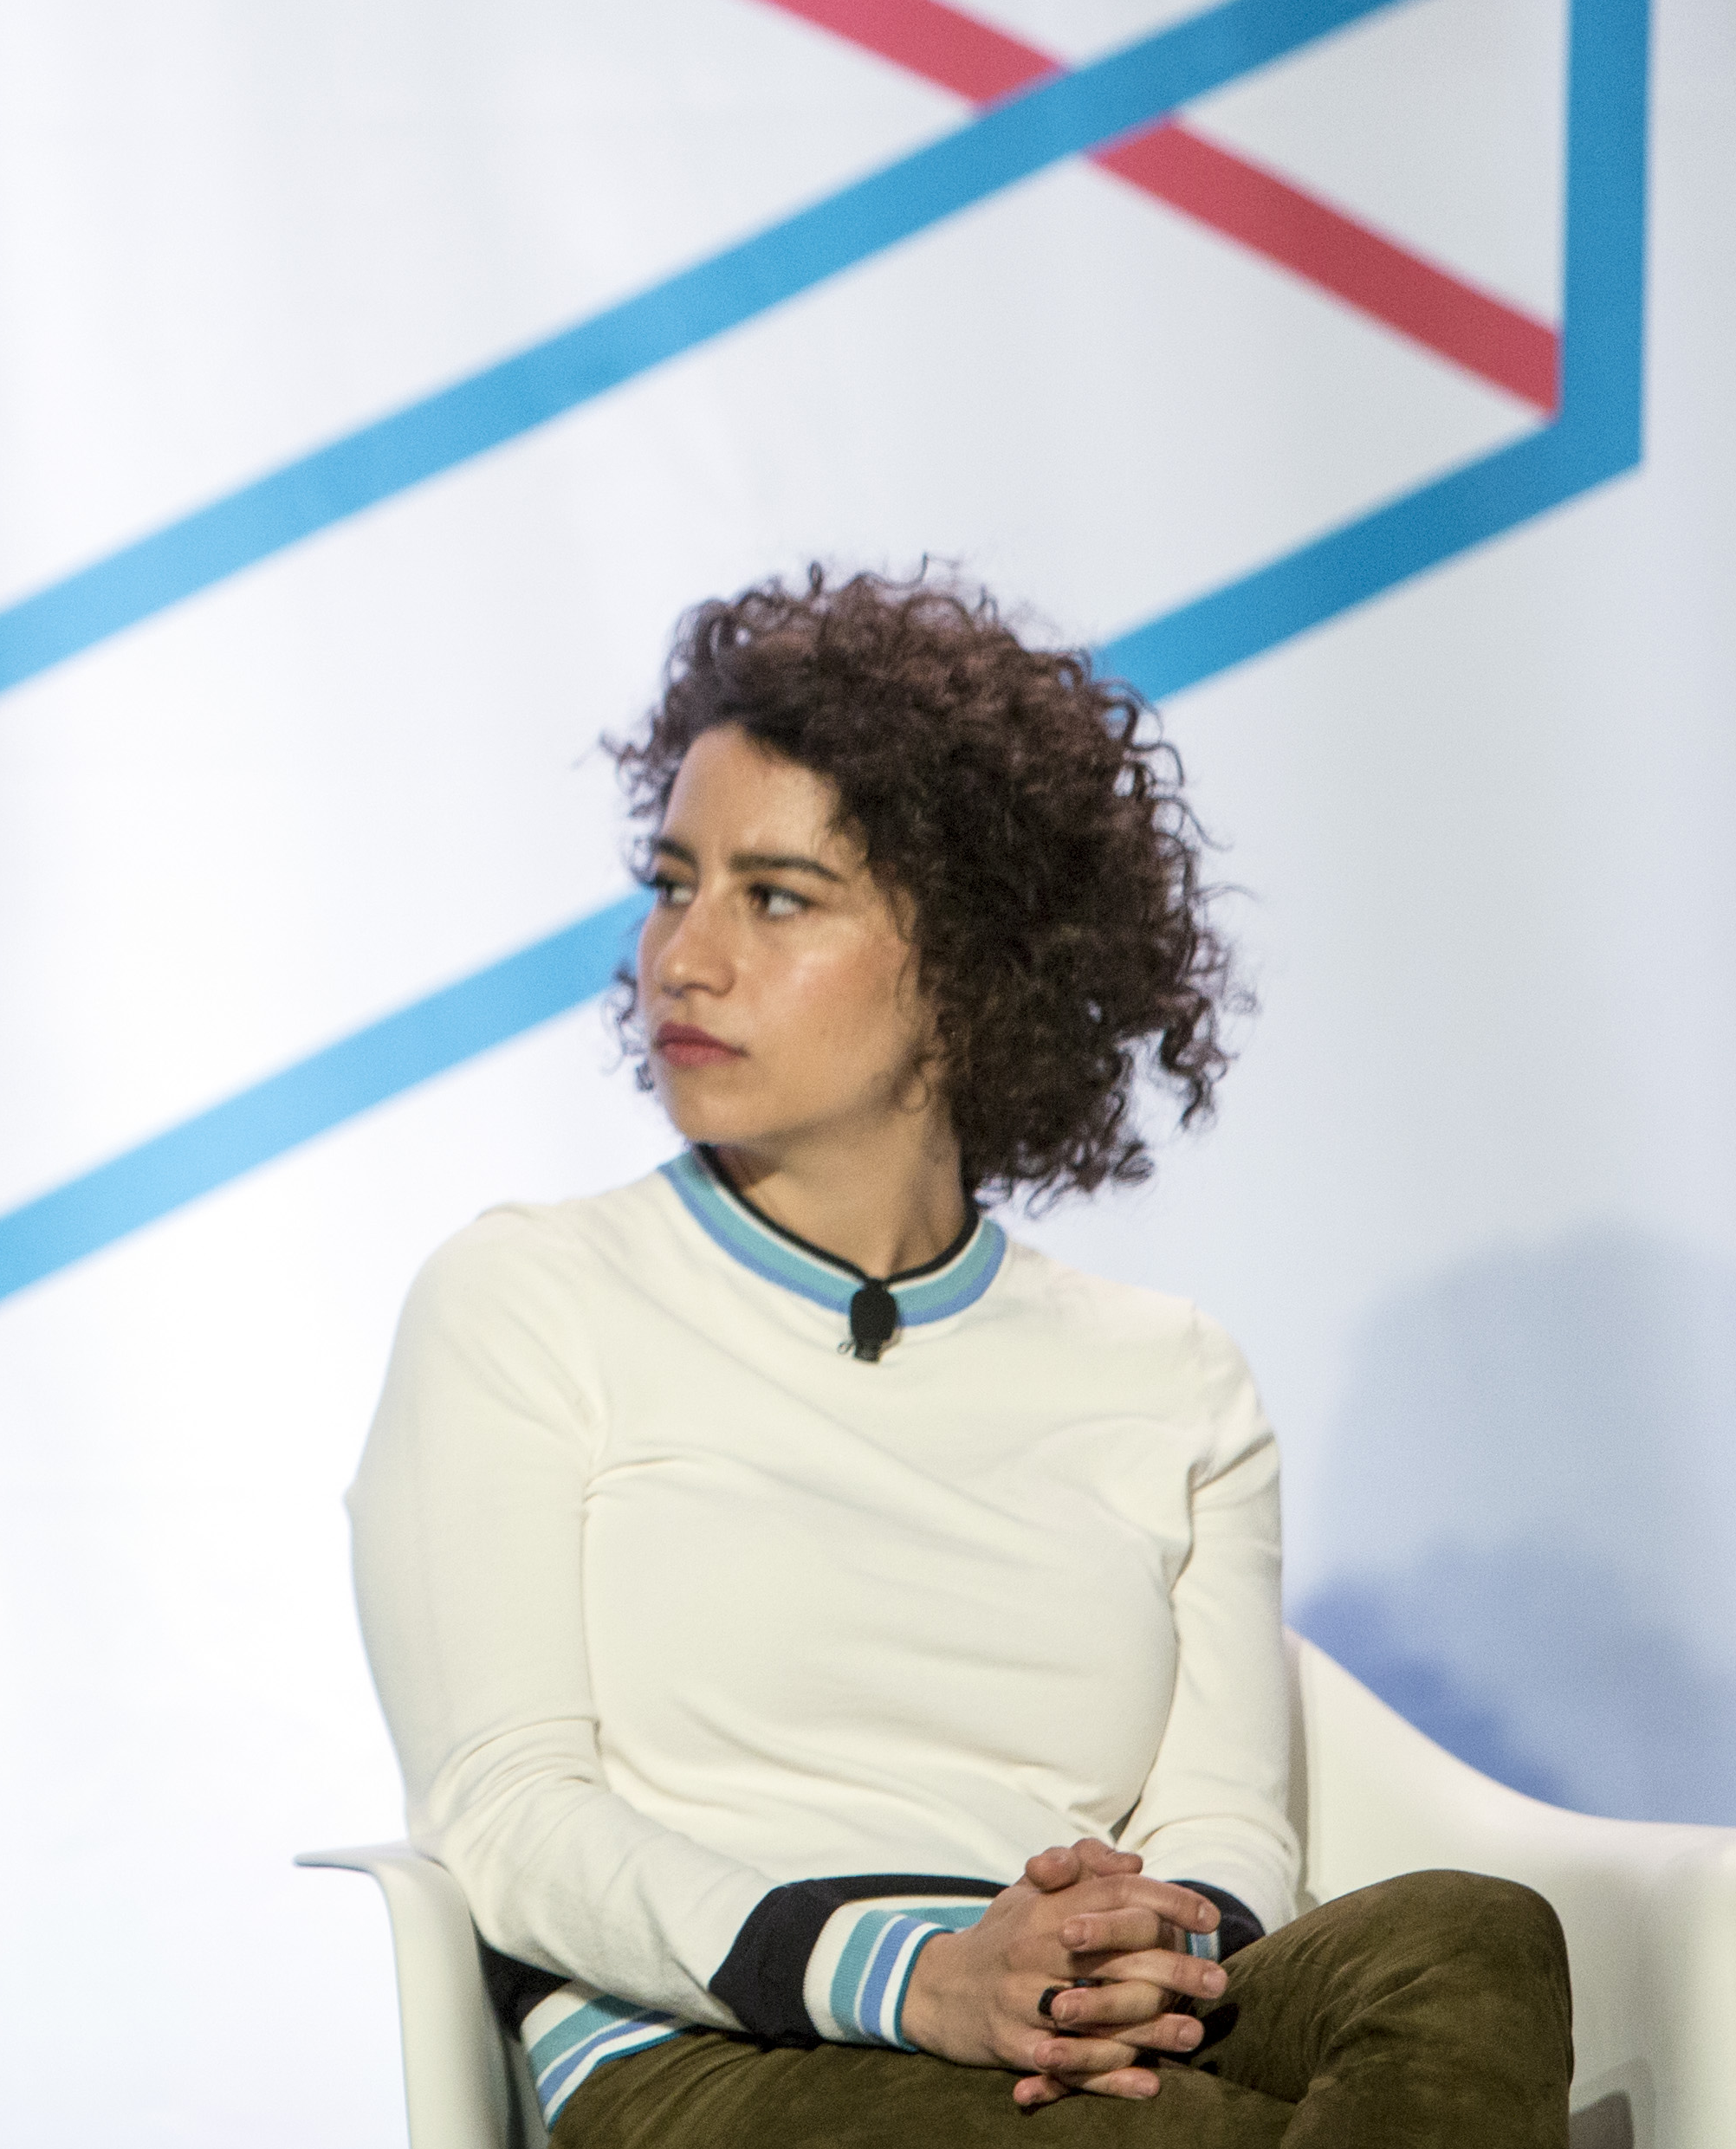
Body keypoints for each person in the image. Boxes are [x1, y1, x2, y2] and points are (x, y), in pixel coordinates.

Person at [347, 570, 1569, 2142]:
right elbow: (508, 1818)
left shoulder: (1170, 1373)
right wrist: (919, 1973)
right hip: (711, 2044)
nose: (683, 956)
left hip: (1067, 2008)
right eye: (673, 880)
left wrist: (1147, 1942)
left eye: (775, 895)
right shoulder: (527, 1295)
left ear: (972, 961)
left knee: (1469, 1939)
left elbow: (1218, 1815)